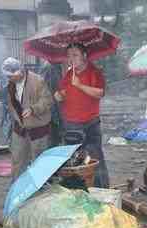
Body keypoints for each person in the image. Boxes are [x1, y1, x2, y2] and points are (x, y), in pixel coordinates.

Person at [55, 43, 110, 188]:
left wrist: (80, 85)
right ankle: (79, 190)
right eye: (68, 56)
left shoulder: (94, 72)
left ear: (84, 56)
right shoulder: (68, 74)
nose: (71, 59)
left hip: (90, 122)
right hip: (71, 124)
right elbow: (62, 93)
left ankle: (101, 189)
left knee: (94, 158)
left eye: (75, 55)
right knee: (74, 159)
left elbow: (100, 93)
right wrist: (59, 95)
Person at [0, 58, 52, 182]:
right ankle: (17, 188)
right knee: (17, 160)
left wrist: (33, 109)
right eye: (7, 76)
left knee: (39, 161)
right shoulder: (9, 82)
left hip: (38, 129)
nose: (9, 78)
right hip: (19, 128)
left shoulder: (37, 81)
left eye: (11, 75)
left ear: (20, 71)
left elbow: (48, 100)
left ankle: (39, 189)